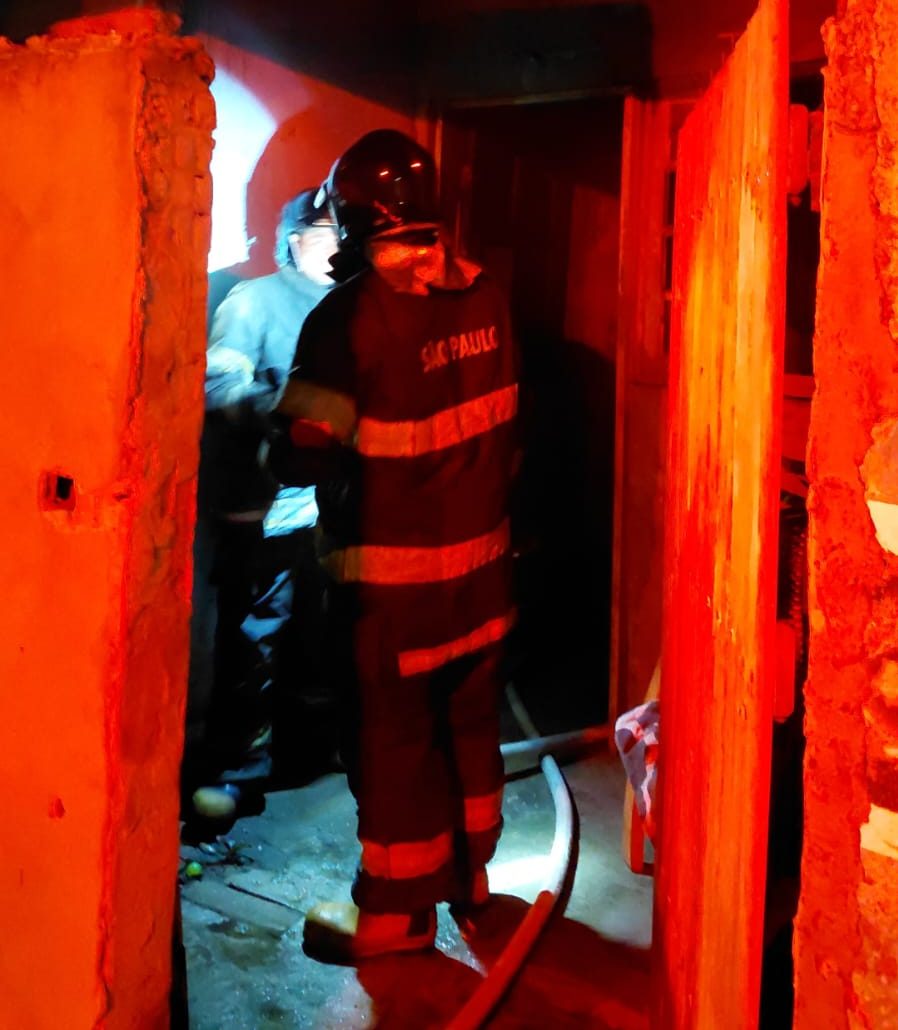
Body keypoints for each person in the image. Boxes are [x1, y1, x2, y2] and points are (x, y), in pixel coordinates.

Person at [272, 129, 520, 962]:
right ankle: (472, 885)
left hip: (393, 594)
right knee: (470, 731)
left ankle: (394, 917)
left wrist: (277, 422)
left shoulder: (348, 320)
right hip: (483, 581)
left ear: (351, 218)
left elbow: (304, 447)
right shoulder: (486, 295)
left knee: (394, 749)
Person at [186, 189, 339, 831]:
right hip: (268, 508)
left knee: (320, 638)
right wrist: (278, 408)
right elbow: (217, 380)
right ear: (294, 239)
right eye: (326, 232)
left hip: (330, 508)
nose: (337, 245)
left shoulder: (351, 305)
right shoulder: (256, 301)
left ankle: (309, 754)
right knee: (256, 641)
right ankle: (235, 775)